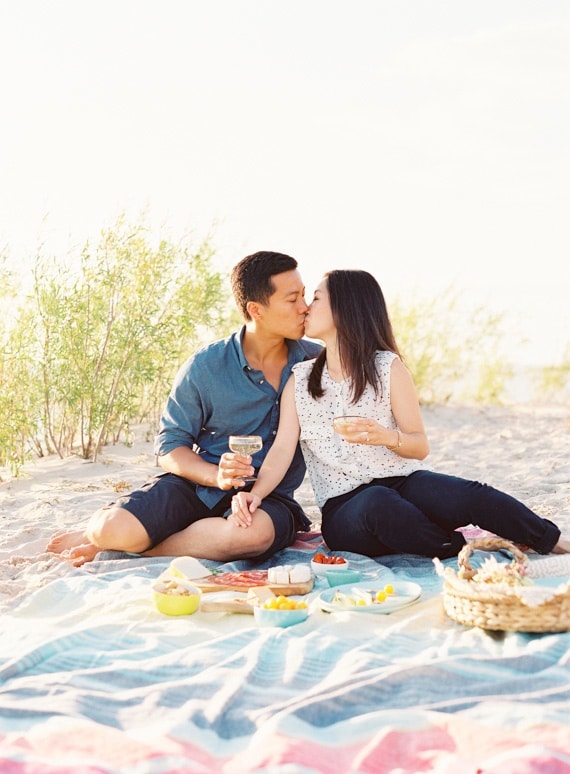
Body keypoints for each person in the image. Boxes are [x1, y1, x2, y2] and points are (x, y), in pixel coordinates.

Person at [232, 269, 570, 558]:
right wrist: (255, 494)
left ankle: (549, 540)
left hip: (404, 483)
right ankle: (456, 546)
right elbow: (282, 449)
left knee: (473, 494)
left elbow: (419, 446)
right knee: (378, 502)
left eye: (316, 298)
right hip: (345, 509)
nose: (306, 306)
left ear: (345, 309)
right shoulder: (301, 380)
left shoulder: (387, 368)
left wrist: (385, 436)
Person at [46, 251, 322, 566]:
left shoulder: (315, 363)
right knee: (111, 528)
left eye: (304, 295)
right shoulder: (206, 366)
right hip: (198, 487)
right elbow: (170, 445)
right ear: (256, 309)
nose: (304, 307)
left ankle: (133, 548)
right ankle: (105, 535)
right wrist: (216, 475)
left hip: (269, 501)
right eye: (292, 299)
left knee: (249, 537)